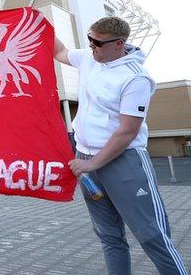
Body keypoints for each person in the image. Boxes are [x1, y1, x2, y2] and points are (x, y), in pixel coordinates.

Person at [54, 16, 188, 275]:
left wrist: (90, 164)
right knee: (109, 236)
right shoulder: (88, 58)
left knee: (152, 235)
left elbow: (127, 131)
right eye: (90, 41)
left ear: (119, 44)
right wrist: (34, 21)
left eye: (98, 44)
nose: (92, 48)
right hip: (87, 159)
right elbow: (58, 51)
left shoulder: (136, 78)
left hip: (123, 161)